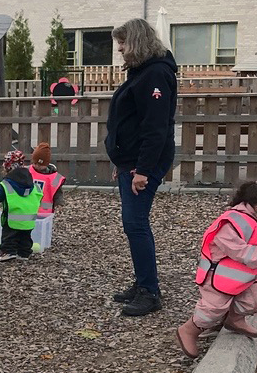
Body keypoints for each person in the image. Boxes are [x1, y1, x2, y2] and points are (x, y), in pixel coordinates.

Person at [105, 18, 178, 317]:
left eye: (122, 42)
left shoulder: (156, 74)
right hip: (131, 162)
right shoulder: (142, 73)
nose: (119, 48)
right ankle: (142, 283)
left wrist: (143, 170)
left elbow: (155, 128)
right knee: (133, 224)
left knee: (136, 224)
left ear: (136, 41)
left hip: (143, 163)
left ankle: (150, 292)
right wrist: (122, 162)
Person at [176, 181, 257, 358]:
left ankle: (234, 319)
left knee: (256, 298)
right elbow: (237, 249)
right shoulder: (233, 222)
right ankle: (190, 330)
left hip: (242, 277)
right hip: (218, 277)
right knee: (213, 308)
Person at [0, 150, 43, 262]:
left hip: (12, 216)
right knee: (25, 235)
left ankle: (8, 251)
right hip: (29, 217)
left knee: (9, 235)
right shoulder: (30, 181)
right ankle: (24, 253)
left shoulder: (6, 183)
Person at [28, 143, 65, 216]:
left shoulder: (54, 177)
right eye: (35, 163)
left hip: (45, 213)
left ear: (46, 164)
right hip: (28, 210)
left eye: (40, 165)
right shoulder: (26, 171)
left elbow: (58, 193)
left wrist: (59, 203)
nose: (37, 166)